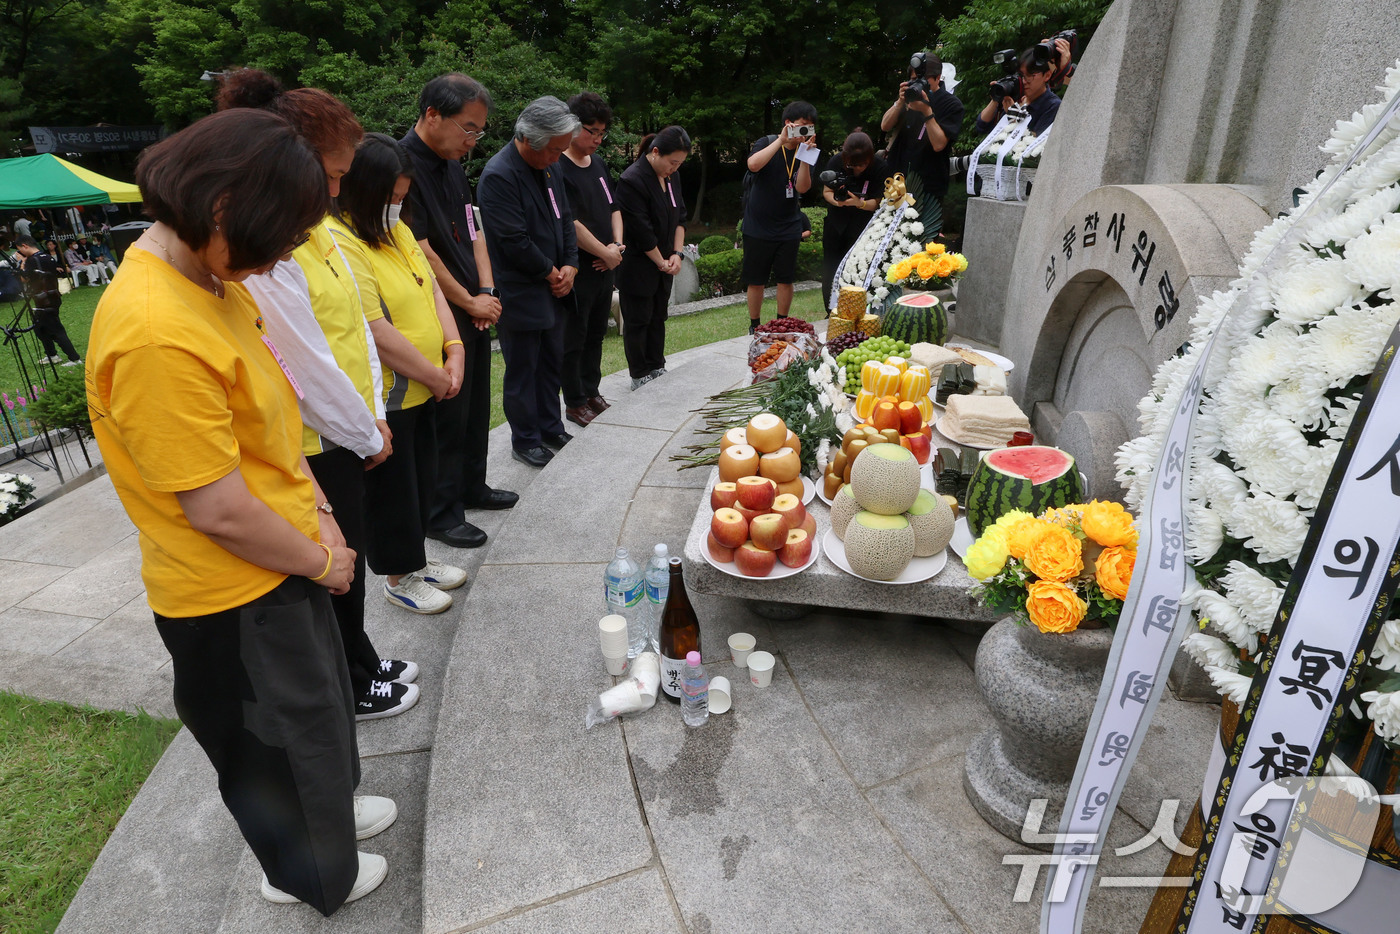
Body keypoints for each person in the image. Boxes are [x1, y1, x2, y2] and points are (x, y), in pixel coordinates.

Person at [84, 108, 392, 915]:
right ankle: (309, 874)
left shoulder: (209, 280)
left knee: (318, 717)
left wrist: (320, 510)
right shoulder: (155, 331)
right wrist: (323, 558)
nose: (285, 254)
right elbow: (217, 508)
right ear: (222, 209)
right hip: (232, 586)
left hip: (280, 549)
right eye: (279, 235)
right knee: (279, 740)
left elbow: (269, 429)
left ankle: (329, 816)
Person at [221, 69, 423, 720]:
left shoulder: (318, 229)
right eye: (332, 174)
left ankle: (359, 660)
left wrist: (372, 414)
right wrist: (367, 431)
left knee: (350, 568)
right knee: (337, 571)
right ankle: (351, 682)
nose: (338, 189)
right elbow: (302, 362)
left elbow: (352, 331)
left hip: (349, 426)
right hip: (315, 439)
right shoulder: (274, 246)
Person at [333, 133, 470, 616]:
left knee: (422, 481)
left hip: (429, 383)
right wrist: (434, 376)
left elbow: (431, 289)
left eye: (402, 197)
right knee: (393, 492)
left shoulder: (398, 231)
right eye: (390, 197)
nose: (397, 206)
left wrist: (454, 349)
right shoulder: (344, 244)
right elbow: (374, 329)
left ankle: (416, 561)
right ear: (361, 190)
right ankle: (398, 575)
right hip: (394, 392)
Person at [401, 73, 517, 547]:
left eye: (479, 132)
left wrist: (485, 291)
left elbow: (474, 231)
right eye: (468, 129)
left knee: (473, 408)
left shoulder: (453, 163)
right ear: (432, 115)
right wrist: (467, 300)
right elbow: (420, 249)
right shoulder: (402, 165)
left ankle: (472, 486)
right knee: (446, 414)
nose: (472, 141)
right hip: (437, 310)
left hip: (472, 304)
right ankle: (441, 513)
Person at [477, 96, 580, 469]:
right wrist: (552, 272)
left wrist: (571, 264)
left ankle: (550, 426)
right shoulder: (499, 175)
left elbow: (565, 218)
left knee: (552, 361)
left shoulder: (550, 169)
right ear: (528, 140)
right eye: (554, 150)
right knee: (523, 367)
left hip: (555, 286)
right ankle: (525, 438)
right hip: (521, 289)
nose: (557, 157)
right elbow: (512, 240)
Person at [559, 92, 622, 428]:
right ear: (571, 127)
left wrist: (617, 247)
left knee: (597, 333)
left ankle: (591, 389)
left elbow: (614, 207)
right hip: (581, 267)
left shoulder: (597, 164)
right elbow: (570, 221)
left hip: (606, 264)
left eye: (601, 133)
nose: (596, 139)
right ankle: (574, 400)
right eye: (590, 131)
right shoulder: (559, 166)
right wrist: (604, 252)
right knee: (576, 336)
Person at [616, 126, 690, 389]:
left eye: (680, 163)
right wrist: (660, 261)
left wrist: (677, 254)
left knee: (658, 316)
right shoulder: (632, 180)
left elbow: (680, 217)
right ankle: (639, 373)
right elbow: (641, 230)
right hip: (639, 263)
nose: (674, 168)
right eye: (672, 162)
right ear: (655, 152)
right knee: (638, 320)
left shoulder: (673, 178)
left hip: (665, 262)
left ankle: (657, 365)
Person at [742, 101, 818, 334]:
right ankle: (755, 325)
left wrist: (805, 157)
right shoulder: (766, 142)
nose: (805, 132)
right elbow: (753, 165)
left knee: (786, 278)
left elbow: (802, 188)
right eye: (802, 126)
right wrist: (780, 141)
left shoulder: (808, 151)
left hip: (789, 224)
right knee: (756, 280)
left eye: (810, 127)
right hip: (758, 224)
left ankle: (781, 323)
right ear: (788, 123)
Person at [880, 50, 965, 236]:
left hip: (929, 186)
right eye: (914, 79)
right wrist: (900, 102)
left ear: (937, 78)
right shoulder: (908, 99)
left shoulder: (951, 104)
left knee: (921, 238)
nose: (918, 85)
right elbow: (885, 126)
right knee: (891, 238)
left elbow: (939, 144)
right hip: (897, 180)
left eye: (924, 80)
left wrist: (927, 111)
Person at [820, 131, 891, 308]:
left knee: (857, 271)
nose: (858, 169)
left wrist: (858, 203)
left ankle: (857, 310)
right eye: (853, 165)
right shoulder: (836, 162)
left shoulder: (880, 167)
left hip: (863, 228)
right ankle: (831, 311)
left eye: (862, 165)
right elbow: (827, 192)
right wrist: (838, 203)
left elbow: (877, 202)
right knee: (830, 270)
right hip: (836, 225)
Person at [974, 44, 1065, 138]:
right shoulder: (1016, 95)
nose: (1024, 81)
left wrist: (1013, 117)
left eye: (1030, 75)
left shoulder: (1053, 105)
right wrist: (995, 98)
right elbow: (981, 127)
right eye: (1022, 75)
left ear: (1047, 75)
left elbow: (1036, 144)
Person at [14, 237, 80, 366]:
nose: (20, 252)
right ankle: (52, 355)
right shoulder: (47, 256)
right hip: (51, 296)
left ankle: (75, 358)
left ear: (25, 246)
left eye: (19, 249)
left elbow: (25, 279)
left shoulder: (32, 260)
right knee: (39, 328)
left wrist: (21, 264)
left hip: (45, 300)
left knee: (56, 329)